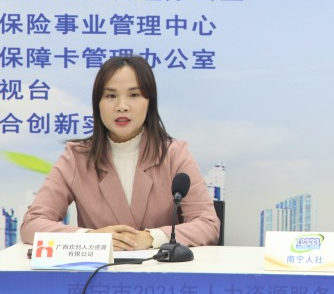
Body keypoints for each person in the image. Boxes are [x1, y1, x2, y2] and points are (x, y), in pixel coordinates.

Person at [21, 56, 220, 250]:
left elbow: (208, 224)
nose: (122, 107)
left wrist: (152, 237)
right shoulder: (76, 157)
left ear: (149, 102)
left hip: (161, 270)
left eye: (134, 95)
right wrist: (90, 237)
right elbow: (32, 224)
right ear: (97, 103)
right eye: (110, 96)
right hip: (98, 270)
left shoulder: (174, 154)